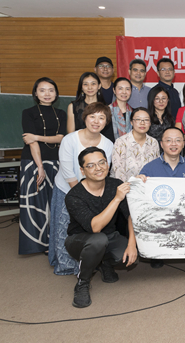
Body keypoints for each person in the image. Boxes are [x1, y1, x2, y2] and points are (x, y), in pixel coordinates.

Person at [64, 147, 137, 308]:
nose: (98, 168)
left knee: (128, 255)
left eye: (101, 162)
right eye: (91, 165)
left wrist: (132, 245)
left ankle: (104, 263)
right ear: (82, 171)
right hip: (80, 241)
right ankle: (82, 282)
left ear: (107, 164)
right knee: (98, 240)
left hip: (109, 237)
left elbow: (130, 215)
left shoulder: (115, 184)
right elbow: (95, 227)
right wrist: (116, 199)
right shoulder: (74, 196)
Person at [49, 102, 114, 276]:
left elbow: (103, 170)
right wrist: (80, 196)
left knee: (88, 227)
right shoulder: (69, 139)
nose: (96, 121)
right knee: (64, 227)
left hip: (92, 192)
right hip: (67, 189)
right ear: (85, 118)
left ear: (106, 122)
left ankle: (88, 261)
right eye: (92, 116)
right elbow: (67, 170)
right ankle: (65, 265)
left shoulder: (108, 144)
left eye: (101, 118)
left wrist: (91, 196)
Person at [139, 127, 185, 268]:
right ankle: (157, 253)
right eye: (169, 140)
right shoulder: (149, 168)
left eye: (178, 140)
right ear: (161, 144)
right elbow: (142, 198)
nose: (173, 144)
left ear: (183, 144)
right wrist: (139, 181)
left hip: (184, 213)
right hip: (159, 214)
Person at [19, 78, 67, 255]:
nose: (47, 94)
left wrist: (37, 137)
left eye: (51, 90)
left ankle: (53, 241)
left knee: (55, 202)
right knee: (35, 202)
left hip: (55, 161)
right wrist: (39, 166)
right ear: (35, 93)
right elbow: (30, 142)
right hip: (33, 162)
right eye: (42, 90)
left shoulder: (61, 113)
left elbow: (61, 138)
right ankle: (36, 244)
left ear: (56, 93)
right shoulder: (28, 112)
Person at [111, 107, 160, 182]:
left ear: (150, 123)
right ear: (131, 122)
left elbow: (156, 168)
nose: (142, 123)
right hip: (125, 186)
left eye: (146, 120)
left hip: (147, 186)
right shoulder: (121, 142)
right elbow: (118, 173)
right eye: (138, 119)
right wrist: (134, 182)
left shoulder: (153, 142)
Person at [107, 77, 134, 142]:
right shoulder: (106, 111)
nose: (124, 92)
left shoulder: (134, 112)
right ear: (114, 90)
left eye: (127, 89)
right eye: (120, 88)